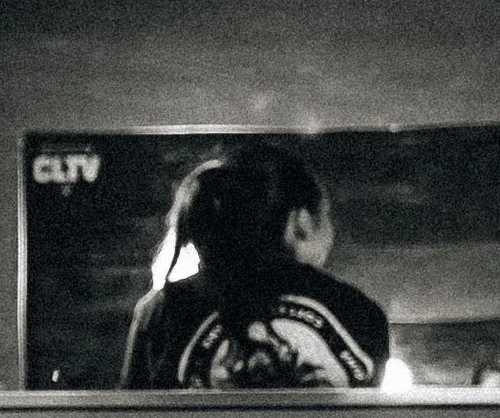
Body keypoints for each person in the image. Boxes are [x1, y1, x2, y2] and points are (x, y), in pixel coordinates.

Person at [120, 144, 391, 390]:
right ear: (302, 222)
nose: (332, 231)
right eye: (327, 215)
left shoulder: (163, 310)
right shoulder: (361, 313)